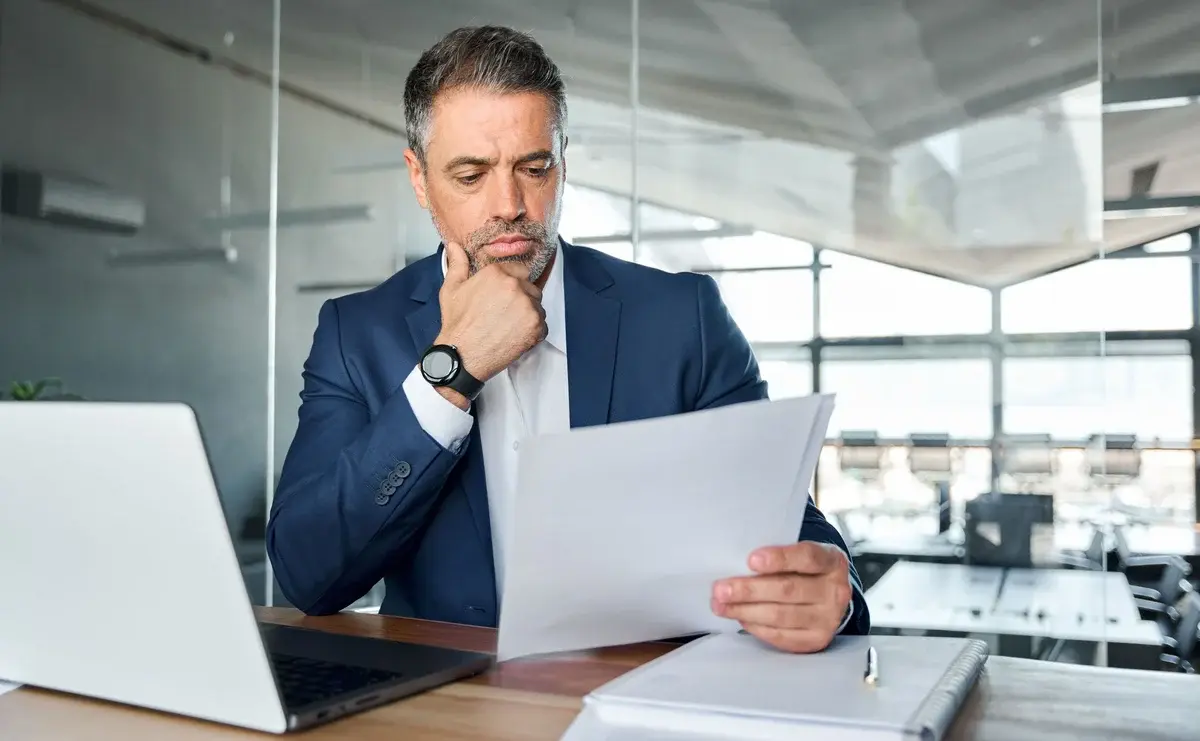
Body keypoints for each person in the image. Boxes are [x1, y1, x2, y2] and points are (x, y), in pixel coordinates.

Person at [268, 25, 869, 654]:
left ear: (562, 161)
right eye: (471, 175)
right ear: (419, 179)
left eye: (534, 167)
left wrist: (834, 585)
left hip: (647, 698)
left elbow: (783, 520)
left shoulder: (682, 316)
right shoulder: (357, 333)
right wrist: (450, 373)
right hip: (448, 710)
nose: (510, 204)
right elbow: (310, 576)